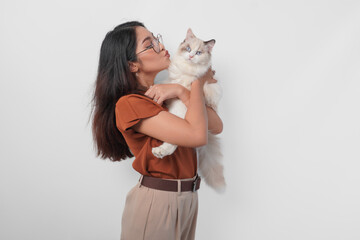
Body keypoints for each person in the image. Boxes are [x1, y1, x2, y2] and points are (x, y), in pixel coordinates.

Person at [90, 20, 223, 240]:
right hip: (158, 202)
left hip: (188, 199)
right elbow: (197, 135)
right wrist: (195, 82)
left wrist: (181, 90)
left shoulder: (163, 94)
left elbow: (216, 126)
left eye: (156, 38)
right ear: (132, 65)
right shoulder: (130, 104)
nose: (161, 46)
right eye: (149, 43)